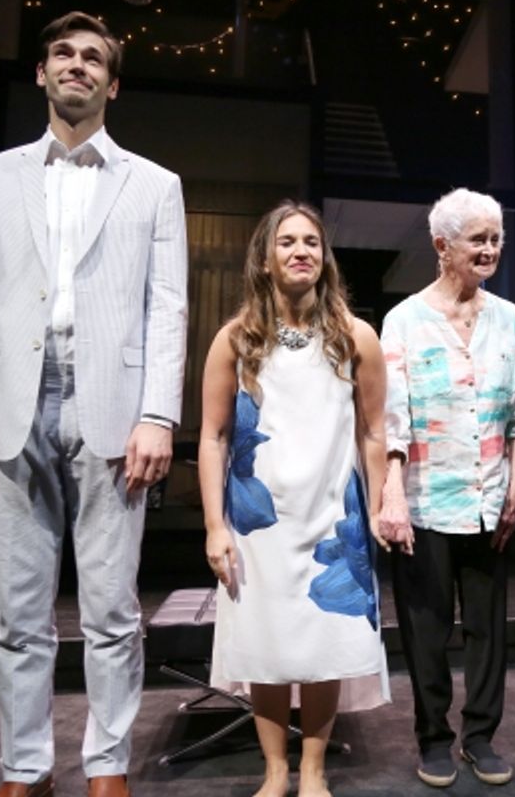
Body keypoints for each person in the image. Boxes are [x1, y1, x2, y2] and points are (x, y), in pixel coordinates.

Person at [0, 12, 187, 797]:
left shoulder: (156, 185)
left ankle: (107, 764)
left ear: (110, 84)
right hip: (12, 400)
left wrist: (159, 415)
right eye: (62, 54)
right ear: (43, 73)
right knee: (19, 614)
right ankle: (26, 768)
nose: (75, 65)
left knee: (113, 609)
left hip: (111, 406)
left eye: (91, 58)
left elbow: (168, 309)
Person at [200, 201, 390, 797]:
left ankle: (313, 772)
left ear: (324, 258)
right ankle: (275, 772)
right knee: (268, 646)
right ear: (265, 256)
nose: (300, 250)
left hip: (334, 515)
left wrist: (381, 504)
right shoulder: (235, 339)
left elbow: (374, 431)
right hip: (259, 525)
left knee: (323, 646)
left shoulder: (355, 336)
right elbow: (213, 436)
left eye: (311, 241)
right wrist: (214, 525)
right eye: (287, 241)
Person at [377, 187, 515, 788]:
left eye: (496, 237)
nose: (491, 248)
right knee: (425, 629)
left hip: (491, 496)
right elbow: (392, 421)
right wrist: (391, 496)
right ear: (442, 246)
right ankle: (433, 738)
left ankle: (480, 736)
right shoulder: (404, 321)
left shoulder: (509, 318)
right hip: (424, 501)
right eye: (479, 238)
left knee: (488, 628)